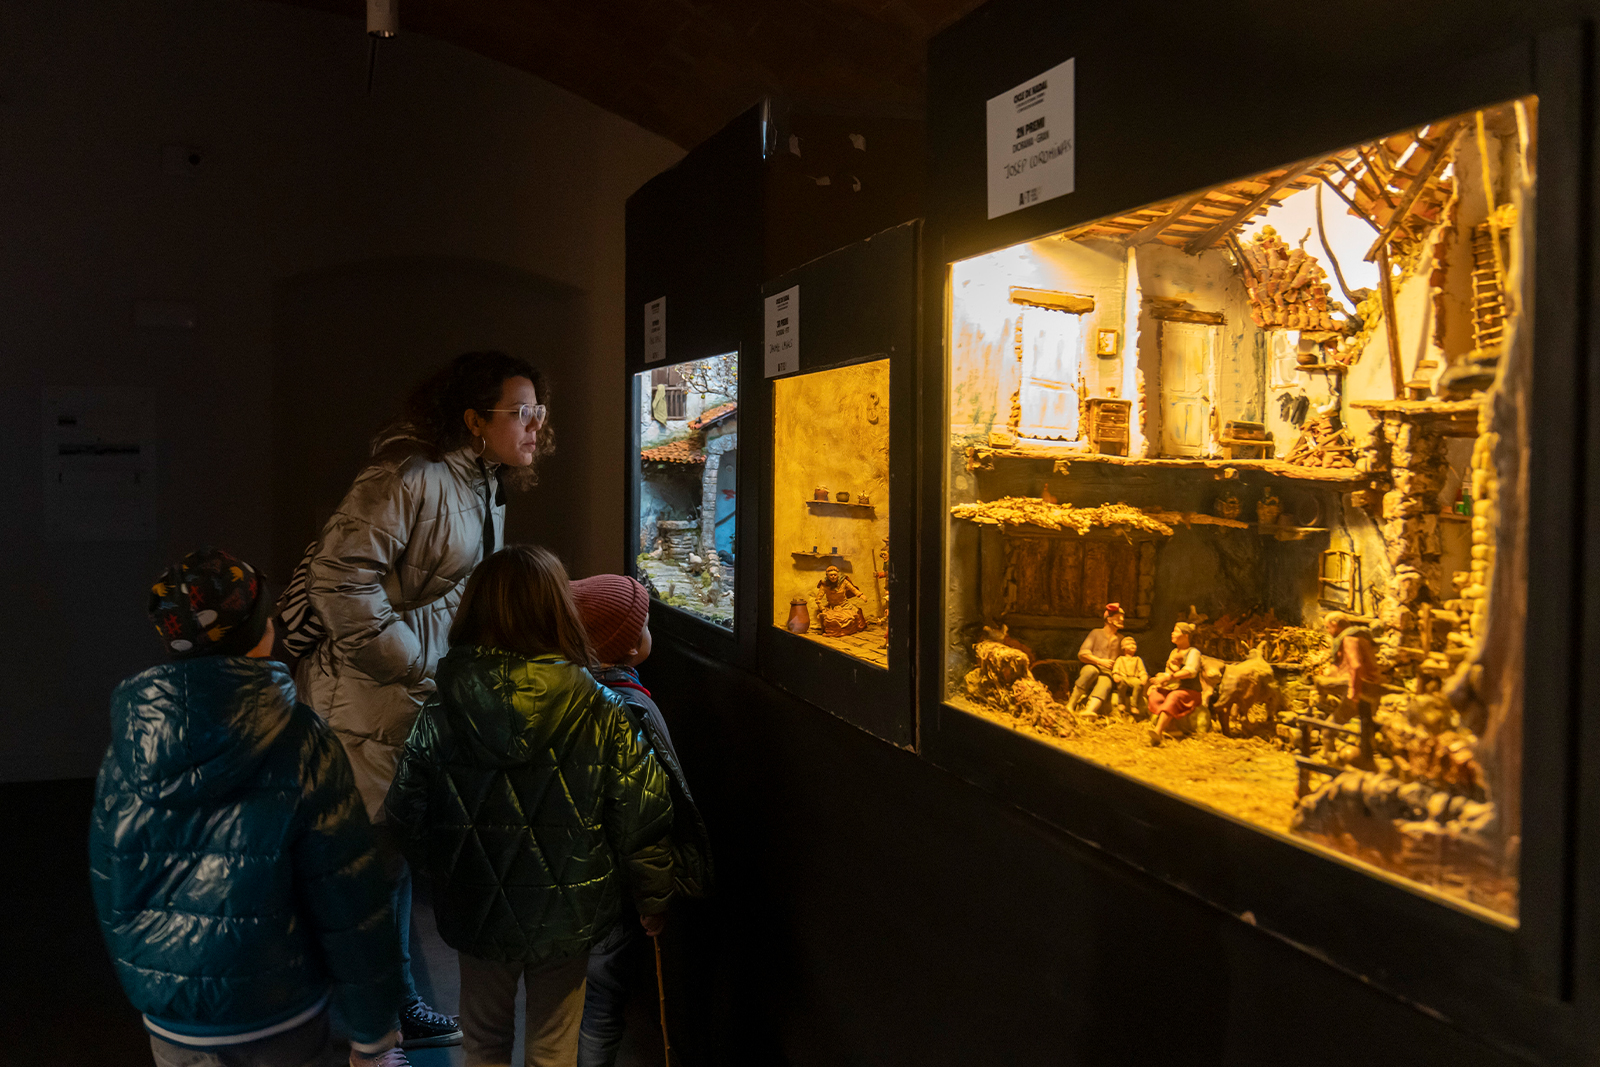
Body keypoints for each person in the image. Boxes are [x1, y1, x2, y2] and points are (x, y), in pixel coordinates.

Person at [299, 351, 553, 1047]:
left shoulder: (481, 482)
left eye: (539, 410)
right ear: (474, 421)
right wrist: (416, 669)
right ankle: (369, 1037)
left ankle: (399, 1005)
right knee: (365, 880)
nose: (535, 424)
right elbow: (339, 581)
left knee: (393, 869)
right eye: (520, 411)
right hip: (369, 713)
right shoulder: (409, 477)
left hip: (412, 712)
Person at [91, 547, 410, 1067]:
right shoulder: (301, 740)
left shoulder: (125, 752)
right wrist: (373, 1030)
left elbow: (113, 890)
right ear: (259, 632)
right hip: (279, 1013)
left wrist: (151, 986)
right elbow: (348, 895)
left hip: (173, 1021)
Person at [385, 546, 675, 1067]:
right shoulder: (602, 708)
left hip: (476, 907)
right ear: (558, 610)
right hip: (570, 912)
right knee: (552, 1044)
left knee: (485, 1041)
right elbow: (641, 815)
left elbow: (405, 812)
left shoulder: (441, 708)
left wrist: (449, 872)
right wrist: (653, 897)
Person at [568, 574, 714, 1067]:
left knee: (567, 1000)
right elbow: (642, 817)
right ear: (630, 647)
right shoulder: (625, 710)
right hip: (614, 893)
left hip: (568, 882)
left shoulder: (567, 694)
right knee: (603, 1004)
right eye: (646, 624)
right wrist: (654, 899)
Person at [1148, 621, 1204, 745]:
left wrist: (1168, 677)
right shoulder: (1174, 652)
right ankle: (1172, 727)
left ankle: (1158, 731)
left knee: (1174, 696)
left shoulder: (1193, 652)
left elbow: (1190, 672)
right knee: (1155, 695)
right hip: (1173, 687)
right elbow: (1168, 673)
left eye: (1176, 631)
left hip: (1189, 691)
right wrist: (1159, 681)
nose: (1172, 634)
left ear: (1186, 635)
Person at [1069, 602, 1125, 717]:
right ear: (1109, 620)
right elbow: (1083, 654)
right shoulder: (1096, 633)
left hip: (1108, 672)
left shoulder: (1121, 639)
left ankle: (1090, 709)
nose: (1122, 620)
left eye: (1122, 618)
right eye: (1118, 618)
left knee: (1106, 682)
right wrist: (1100, 661)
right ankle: (1070, 705)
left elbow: (1125, 660)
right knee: (1090, 671)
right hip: (1092, 665)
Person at [1109, 635, 1149, 718]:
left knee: (1138, 683)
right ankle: (1121, 703)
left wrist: (1144, 676)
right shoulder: (1120, 659)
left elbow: (1141, 670)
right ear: (1123, 647)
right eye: (1129, 644)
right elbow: (1116, 669)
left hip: (1133, 678)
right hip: (1123, 678)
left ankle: (1133, 705)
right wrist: (1115, 674)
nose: (1132, 646)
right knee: (1122, 684)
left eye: (1134, 644)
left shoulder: (1137, 659)